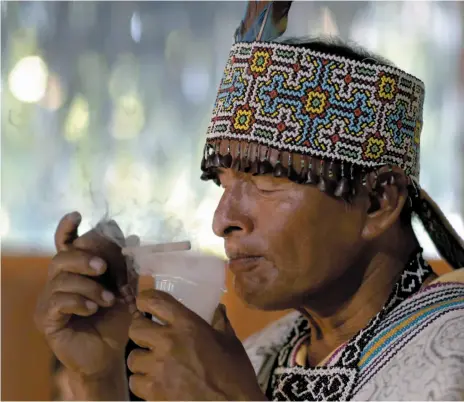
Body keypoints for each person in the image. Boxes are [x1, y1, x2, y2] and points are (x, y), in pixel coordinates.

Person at [35, 1, 464, 400]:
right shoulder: (261, 356)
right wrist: (101, 378)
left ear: (378, 202)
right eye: (223, 183)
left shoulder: (452, 359)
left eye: (266, 182)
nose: (223, 220)